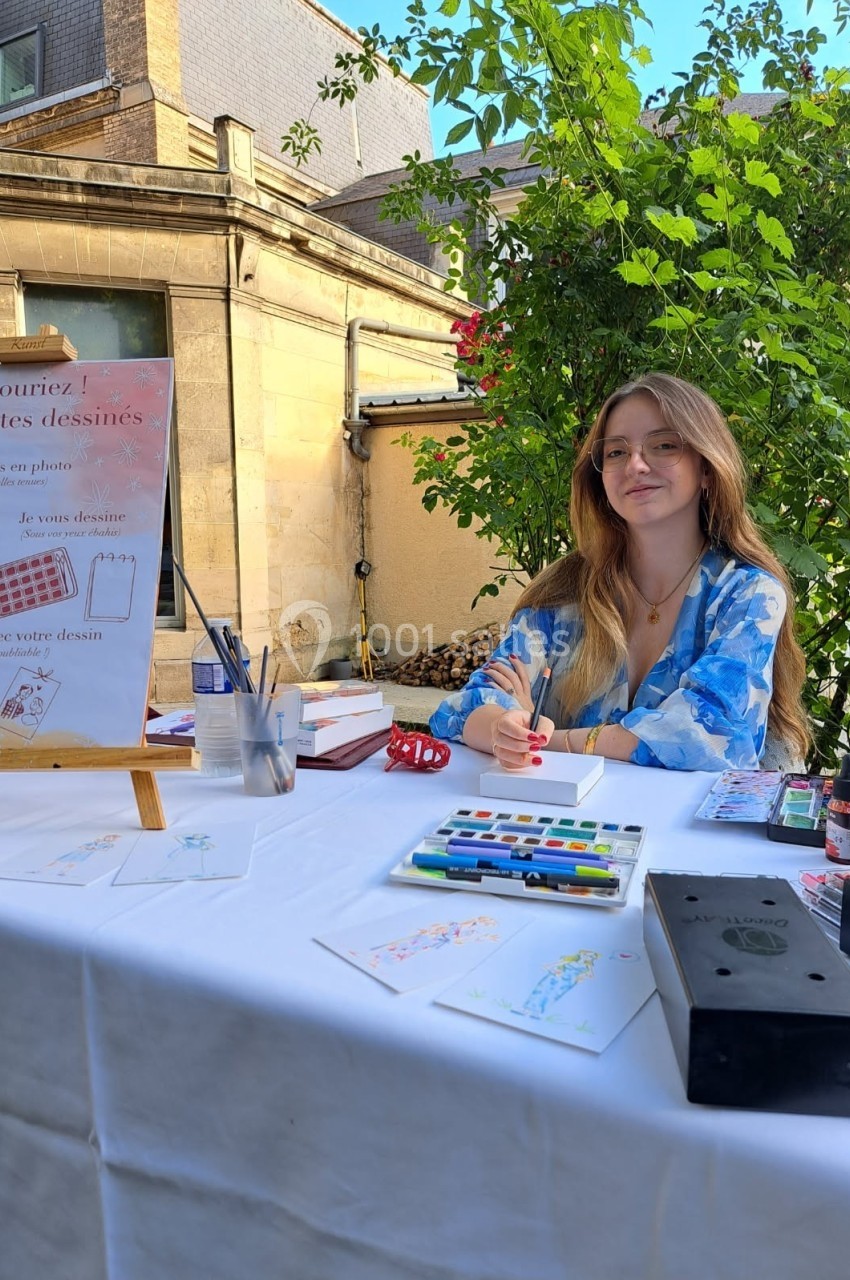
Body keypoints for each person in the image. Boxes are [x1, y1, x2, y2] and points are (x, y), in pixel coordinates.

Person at [430, 372, 809, 772]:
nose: (636, 465)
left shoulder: (747, 595)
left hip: (692, 833)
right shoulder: (562, 596)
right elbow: (462, 709)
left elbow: (708, 737)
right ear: (600, 479)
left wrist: (553, 740)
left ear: (708, 470)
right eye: (615, 453)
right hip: (573, 829)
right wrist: (503, 729)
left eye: (663, 446)